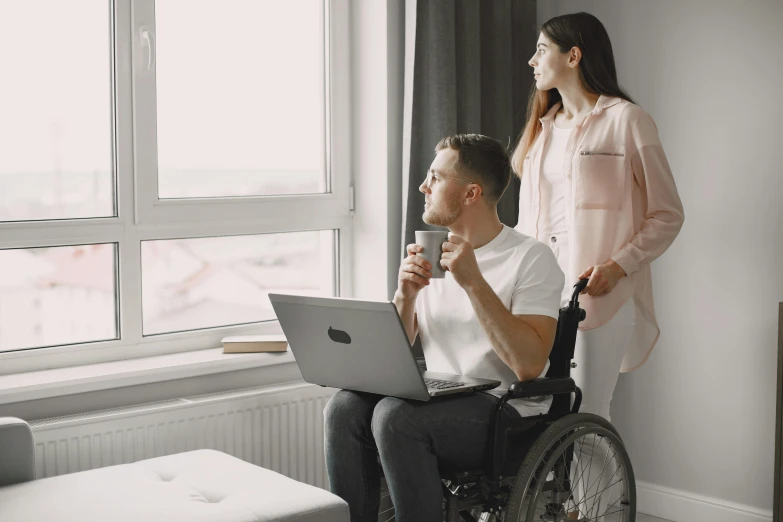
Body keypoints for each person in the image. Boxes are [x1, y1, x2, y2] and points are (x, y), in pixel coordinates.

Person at [324, 134, 564, 521]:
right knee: (345, 407)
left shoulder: (530, 258)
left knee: (394, 416)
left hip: (508, 410)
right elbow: (393, 359)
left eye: (435, 177)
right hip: (442, 395)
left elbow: (530, 365)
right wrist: (405, 295)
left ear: (471, 193)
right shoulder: (434, 252)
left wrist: (473, 283)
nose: (423, 186)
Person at [513, 12, 685, 519]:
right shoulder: (541, 130)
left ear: (574, 54)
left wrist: (619, 264)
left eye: (541, 48)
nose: (532, 59)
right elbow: (528, 222)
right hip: (539, 296)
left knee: (586, 418)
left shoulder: (628, 120)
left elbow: (667, 214)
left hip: (598, 297)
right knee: (540, 414)